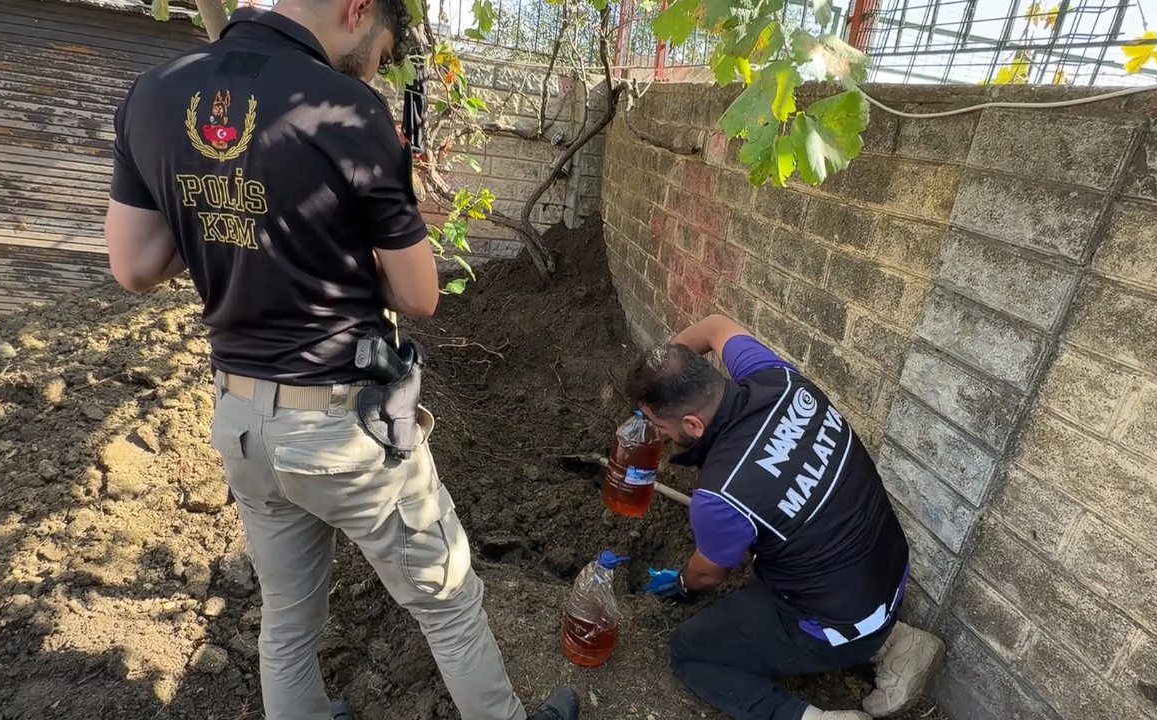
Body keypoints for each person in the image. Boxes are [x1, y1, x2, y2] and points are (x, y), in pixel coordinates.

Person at [102, 2, 579, 720]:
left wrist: (221, 220)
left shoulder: (155, 91)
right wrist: (330, 244)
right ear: (357, 9)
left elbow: (134, 266)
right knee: (448, 601)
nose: (376, 68)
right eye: (381, 52)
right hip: (340, 426)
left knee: (288, 618)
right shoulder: (346, 110)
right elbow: (419, 295)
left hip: (240, 422)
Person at [625, 314, 944, 720]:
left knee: (689, 651)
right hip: (891, 569)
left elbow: (708, 574)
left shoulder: (719, 495)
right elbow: (716, 327)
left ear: (692, 424)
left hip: (844, 621)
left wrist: (683, 584)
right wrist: (662, 373)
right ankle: (898, 640)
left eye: (658, 425)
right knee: (787, 545)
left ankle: (815, 715)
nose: (660, 435)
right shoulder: (778, 378)